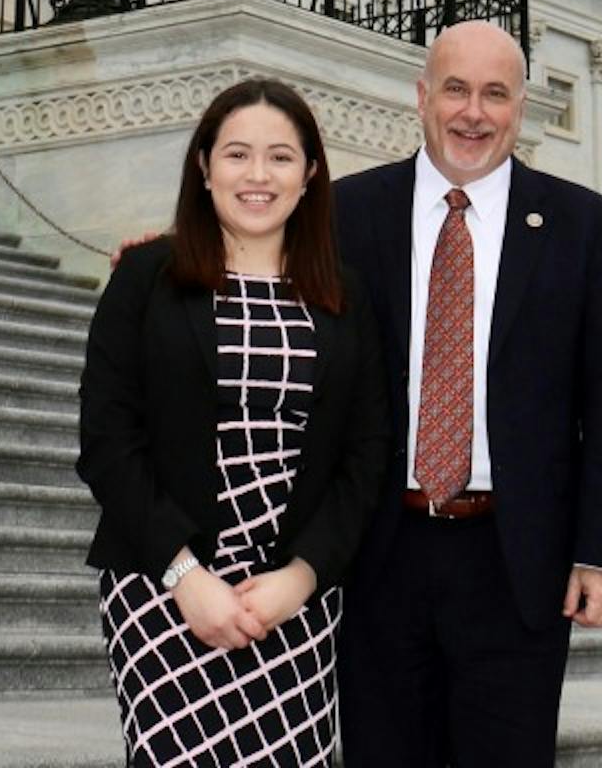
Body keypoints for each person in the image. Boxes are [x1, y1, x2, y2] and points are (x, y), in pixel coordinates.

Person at [334, 20, 602, 768]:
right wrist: (161, 258)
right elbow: (257, 262)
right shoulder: (347, 211)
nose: (474, 113)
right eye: (457, 90)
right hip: (378, 550)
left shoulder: (583, 226)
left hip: (516, 559)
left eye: (495, 94)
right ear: (422, 97)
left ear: (521, 107)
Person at [78, 78, 390, 767]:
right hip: (164, 592)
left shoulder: (344, 294)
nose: (258, 175)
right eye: (237, 154)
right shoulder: (145, 277)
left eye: (281, 157)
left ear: (310, 175)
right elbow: (107, 441)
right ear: (203, 166)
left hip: (294, 600)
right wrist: (186, 576)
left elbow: (367, 456)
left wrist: (302, 577)